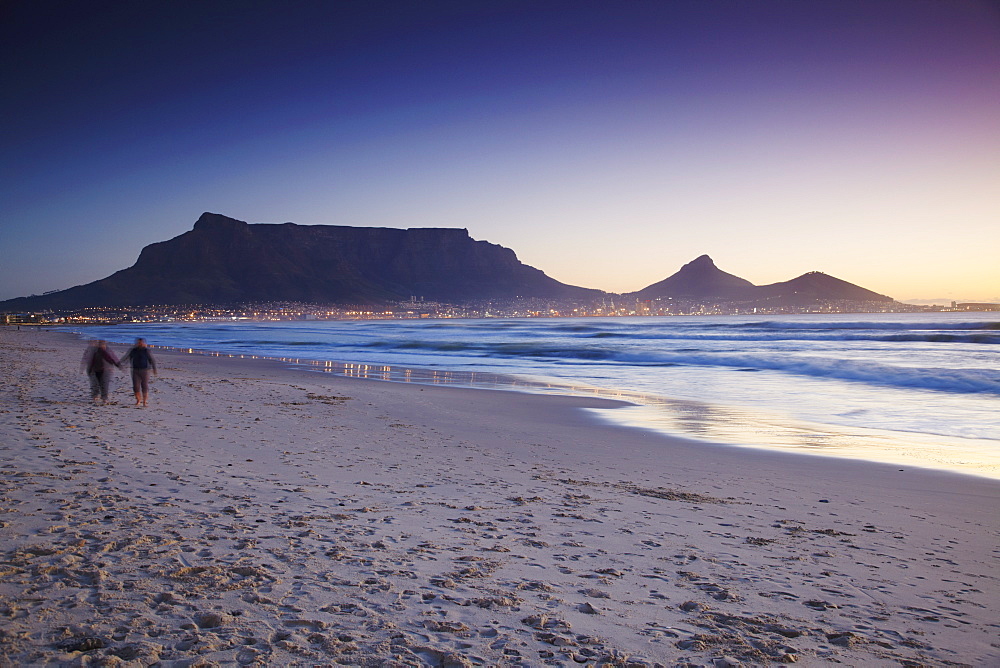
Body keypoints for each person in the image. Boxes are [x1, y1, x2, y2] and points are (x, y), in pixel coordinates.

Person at [81, 340, 121, 404]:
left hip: (106, 370)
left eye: (103, 345)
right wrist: (89, 369)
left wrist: (118, 365)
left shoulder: (107, 351)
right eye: (100, 345)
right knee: (95, 383)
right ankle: (95, 395)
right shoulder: (95, 351)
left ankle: (104, 398)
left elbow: (112, 358)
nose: (102, 346)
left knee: (104, 384)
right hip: (96, 369)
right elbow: (91, 360)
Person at [122, 338, 158, 407]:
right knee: (136, 386)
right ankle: (138, 400)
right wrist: (121, 364)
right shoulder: (133, 350)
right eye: (138, 342)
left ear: (144, 343)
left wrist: (154, 369)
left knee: (144, 386)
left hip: (145, 370)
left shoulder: (146, 351)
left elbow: (151, 360)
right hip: (135, 370)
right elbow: (127, 357)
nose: (140, 344)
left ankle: (144, 401)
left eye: (141, 342)